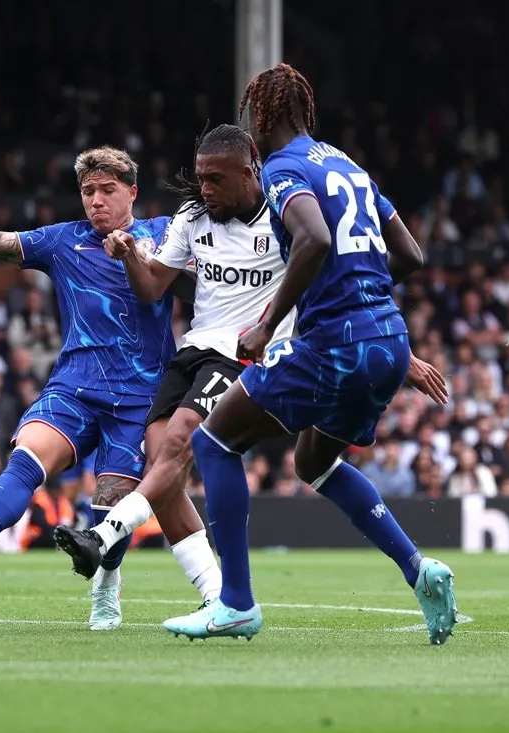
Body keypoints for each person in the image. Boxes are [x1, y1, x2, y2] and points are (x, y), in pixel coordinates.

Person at [161, 63, 458, 645]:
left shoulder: (282, 167)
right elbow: (411, 254)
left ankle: (236, 604)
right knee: (315, 464)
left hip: (334, 345)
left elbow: (317, 237)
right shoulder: (348, 164)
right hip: (388, 340)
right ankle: (419, 571)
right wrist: (360, 297)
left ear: (261, 116)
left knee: (213, 441)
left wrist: (267, 324)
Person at [0, 146, 197, 631]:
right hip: (76, 384)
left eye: (108, 190)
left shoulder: (163, 234)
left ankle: (106, 591)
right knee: (28, 456)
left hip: (142, 396)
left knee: (109, 501)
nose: (96, 201)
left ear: (131, 192)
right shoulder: (64, 241)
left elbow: (201, 283)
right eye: (88, 191)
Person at [53, 124, 293, 607]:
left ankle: (102, 537)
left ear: (250, 172)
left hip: (243, 354)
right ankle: (216, 596)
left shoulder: (286, 220)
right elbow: (151, 287)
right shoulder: (192, 217)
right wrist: (128, 257)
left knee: (180, 442)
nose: (204, 188)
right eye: (200, 177)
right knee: (163, 471)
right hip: (192, 352)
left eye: (216, 179)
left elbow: (329, 279)